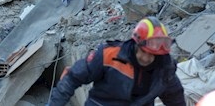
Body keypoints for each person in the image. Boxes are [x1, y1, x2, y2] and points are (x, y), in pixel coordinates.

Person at [48, 17, 185, 106]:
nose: (146, 58)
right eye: (143, 52)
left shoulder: (164, 69)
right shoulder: (109, 55)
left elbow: (174, 97)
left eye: (152, 55)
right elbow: (72, 78)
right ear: (135, 44)